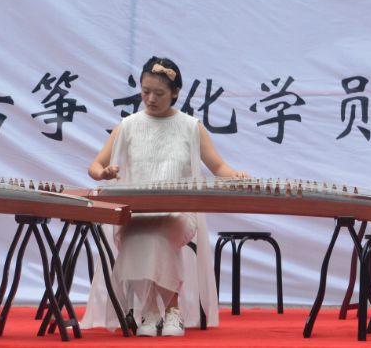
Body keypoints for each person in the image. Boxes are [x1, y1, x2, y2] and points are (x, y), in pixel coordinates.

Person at [82, 56, 250, 337]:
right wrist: (104, 172)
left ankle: (169, 310)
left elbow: (219, 166)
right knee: (134, 234)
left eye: (159, 93)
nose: (150, 99)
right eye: (145, 91)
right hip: (138, 211)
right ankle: (153, 311)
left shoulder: (190, 126)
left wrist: (237, 176)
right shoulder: (128, 125)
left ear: (175, 92)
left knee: (158, 234)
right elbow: (95, 166)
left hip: (179, 212)